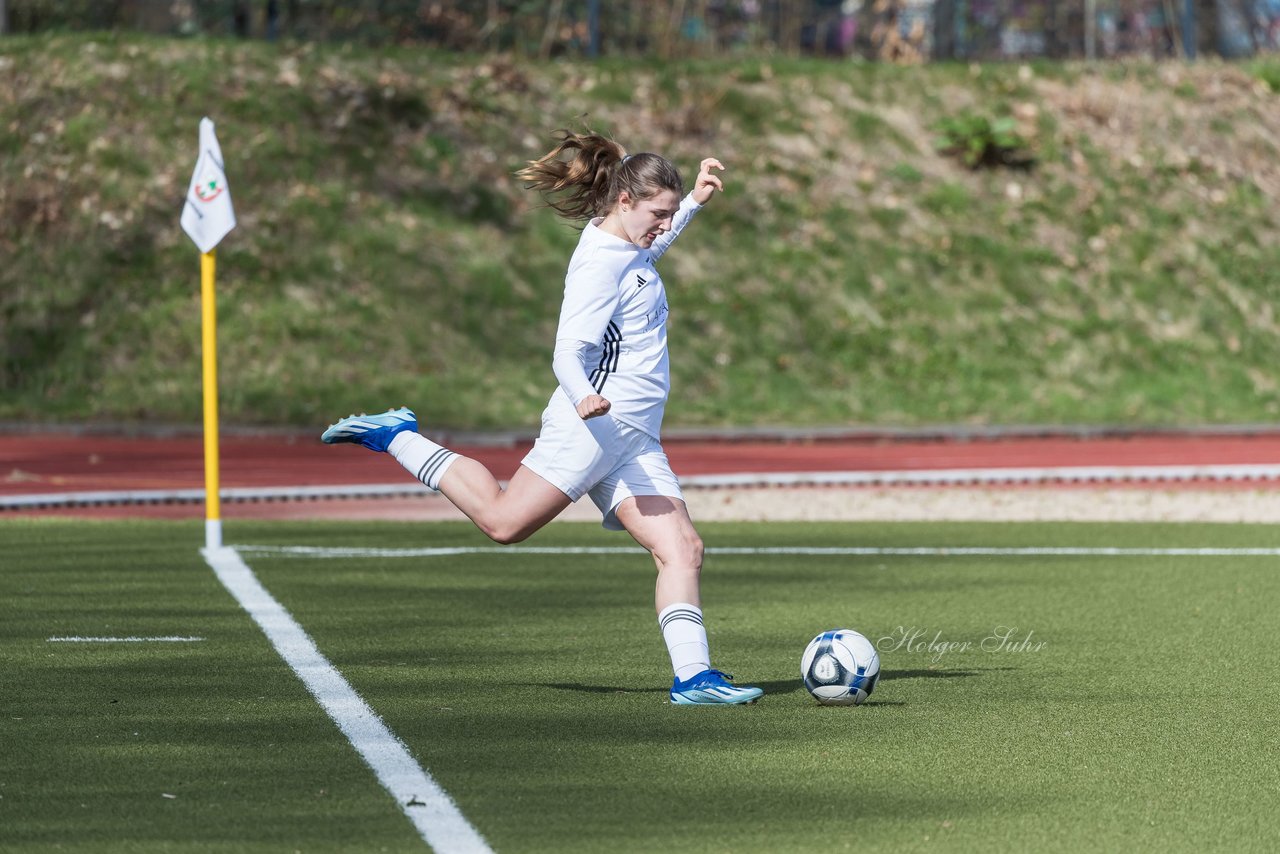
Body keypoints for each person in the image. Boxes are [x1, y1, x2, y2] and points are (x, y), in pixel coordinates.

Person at [321, 130, 762, 706]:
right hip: (592, 428)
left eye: (669, 214)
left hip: (633, 439)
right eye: (658, 212)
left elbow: (649, 251)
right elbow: (566, 353)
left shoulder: (627, 245)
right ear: (625, 202)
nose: (662, 224)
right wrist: (582, 396)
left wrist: (694, 206)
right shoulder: (597, 265)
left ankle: (694, 679)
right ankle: (398, 436)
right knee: (505, 522)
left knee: (682, 549)